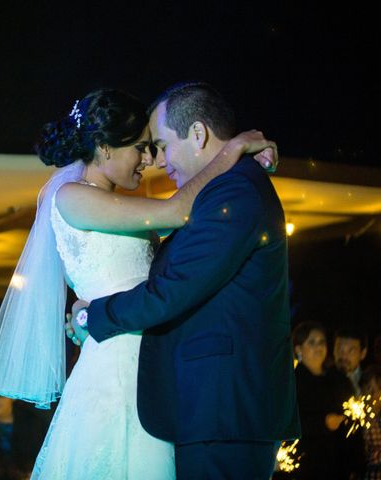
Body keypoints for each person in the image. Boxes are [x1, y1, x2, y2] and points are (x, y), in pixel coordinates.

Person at [0, 87, 278, 479]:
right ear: (104, 148)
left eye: (153, 148)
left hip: (147, 366)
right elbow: (178, 210)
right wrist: (232, 150)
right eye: (141, 148)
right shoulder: (71, 197)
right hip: (115, 371)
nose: (150, 160)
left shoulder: (119, 205)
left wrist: (86, 316)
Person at [68, 82, 300, 479]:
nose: (157, 161)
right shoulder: (228, 188)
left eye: (160, 144)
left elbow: (174, 288)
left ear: (197, 133)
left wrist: (93, 317)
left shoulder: (236, 190)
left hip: (225, 411)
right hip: (212, 410)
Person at [291, 321, 356, 479]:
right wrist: (323, 423)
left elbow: (354, 419)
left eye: (321, 342)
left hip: (338, 465)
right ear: (299, 349)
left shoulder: (339, 380)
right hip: (306, 465)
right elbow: (290, 422)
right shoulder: (291, 383)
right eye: (312, 342)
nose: (318, 347)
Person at [361, 365, 381, 479]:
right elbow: (364, 456)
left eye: (375, 390)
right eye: (367, 389)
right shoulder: (362, 421)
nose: (371, 395)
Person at [335, 328, 368, 395]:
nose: (344, 356)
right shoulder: (323, 380)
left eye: (351, 351)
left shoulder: (370, 380)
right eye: (340, 350)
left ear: (363, 353)